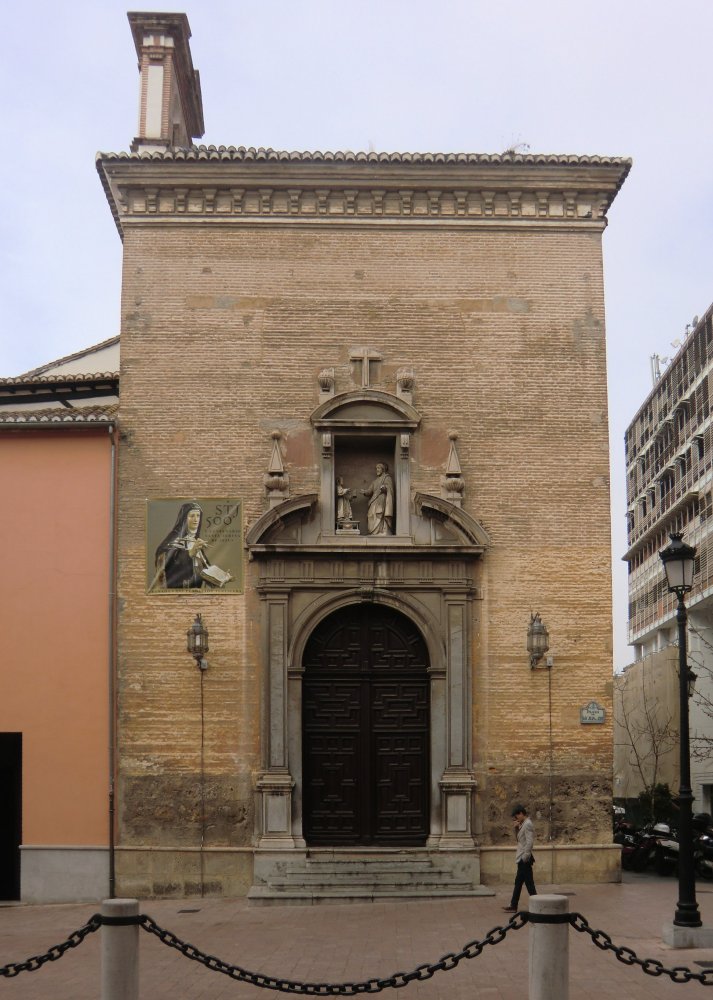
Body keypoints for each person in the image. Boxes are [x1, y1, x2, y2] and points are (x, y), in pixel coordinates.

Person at [155, 502, 209, 589]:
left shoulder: (195, 540)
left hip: (196, 589)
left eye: (198, 515)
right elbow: (163, 555)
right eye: (192, 516)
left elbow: (204, 566)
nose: (196, 519)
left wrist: (219, 576)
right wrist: (189, 553)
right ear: (184, 518)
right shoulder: (175, 536)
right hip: (179, 587)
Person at [503, 804, 537, 912]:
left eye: (517, 816)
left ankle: (537, 904)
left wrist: (525, 857)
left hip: (524, 858)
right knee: (518, 883)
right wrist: (516, 828)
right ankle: (513, 905)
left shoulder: (528, 824)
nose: (516, 818)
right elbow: (520, 840)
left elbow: (529, 842)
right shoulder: (522, 824)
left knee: (529, 884)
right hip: (522, 858)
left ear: (521, 814)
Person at [361, 462, 395, 535]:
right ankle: (373, 532)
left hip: (382, 499)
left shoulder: (387, 478)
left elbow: (389, 488)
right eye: (376, 468)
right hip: (374, 500)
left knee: (379, 514)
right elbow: (369, 491)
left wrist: (385, 488)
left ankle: (382, 531)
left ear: (383, 469)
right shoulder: (375, 481)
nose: (377, 470)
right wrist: (364, 492)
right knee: (370, 515)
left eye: (378, 468)